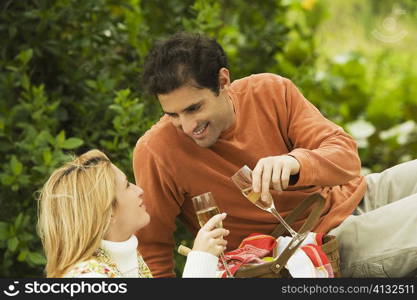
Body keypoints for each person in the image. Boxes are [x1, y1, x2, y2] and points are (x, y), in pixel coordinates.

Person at [134, 32, 417, 278]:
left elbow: (347, 159)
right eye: (173, 115)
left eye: (194, 109)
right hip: (314, 247)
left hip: (357, 195)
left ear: (223, 81)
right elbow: (152, 251)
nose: (186, 126)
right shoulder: (155, 152)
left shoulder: (270, 91)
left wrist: (295, 163)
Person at [37, 149, 229, 278]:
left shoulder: (125, 258)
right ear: (107, 212)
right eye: (127, 185)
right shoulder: (87, 277)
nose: (139, 190)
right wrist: (200, 261)